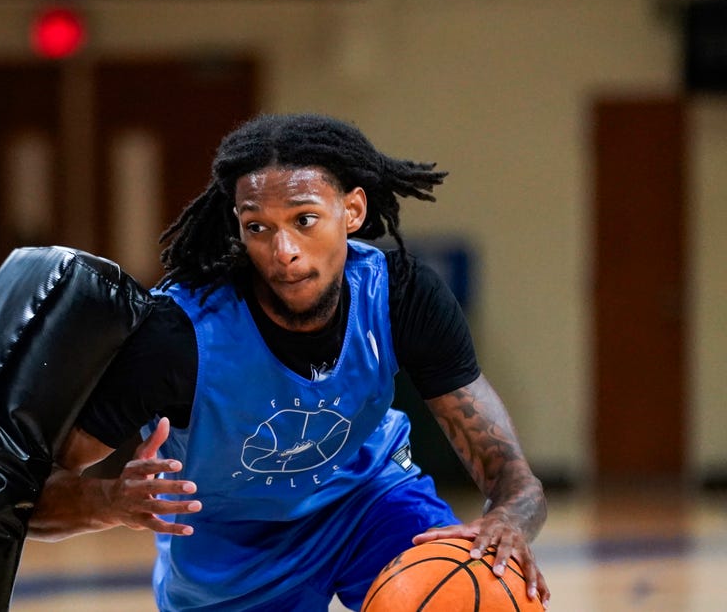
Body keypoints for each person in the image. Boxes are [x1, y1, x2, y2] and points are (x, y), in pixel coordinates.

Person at [29, 113, 550, 610]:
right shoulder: (176, 337)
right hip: (232, 547)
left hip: (370, 502)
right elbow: (27, 495)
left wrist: (508, 521)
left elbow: (515, 481)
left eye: (304, 220)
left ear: (352, 211)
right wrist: (108, 501)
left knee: (470, 593)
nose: (283, 251)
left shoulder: (400, 296)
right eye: (257, 227)